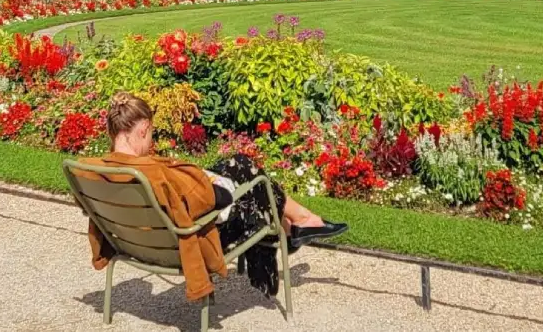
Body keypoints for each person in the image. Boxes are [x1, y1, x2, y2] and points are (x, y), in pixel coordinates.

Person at [82, 93, 347, 302]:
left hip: (143, 242)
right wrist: (213, 182)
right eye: (151, 134)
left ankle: (295, 225)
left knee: (236, 164)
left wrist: (202, 176)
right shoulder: (153, 173)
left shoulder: (93, 171)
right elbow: (219, 200)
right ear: (143, 129)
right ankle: (292, 227)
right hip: (195, 240)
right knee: (256, 184)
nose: (151, 140)